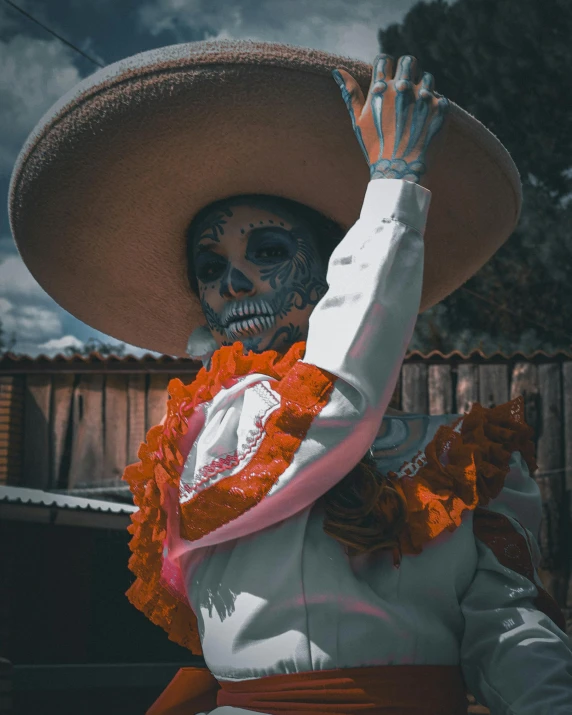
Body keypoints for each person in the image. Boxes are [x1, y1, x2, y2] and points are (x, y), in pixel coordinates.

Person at [9, 41, 572, 715]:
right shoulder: (213, 434)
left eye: (268, 251)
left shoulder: (463, 460)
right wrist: (391, 188)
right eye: (210, 267)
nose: (233, 282)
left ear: (340, 270)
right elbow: (332, 406)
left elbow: (507, 632)